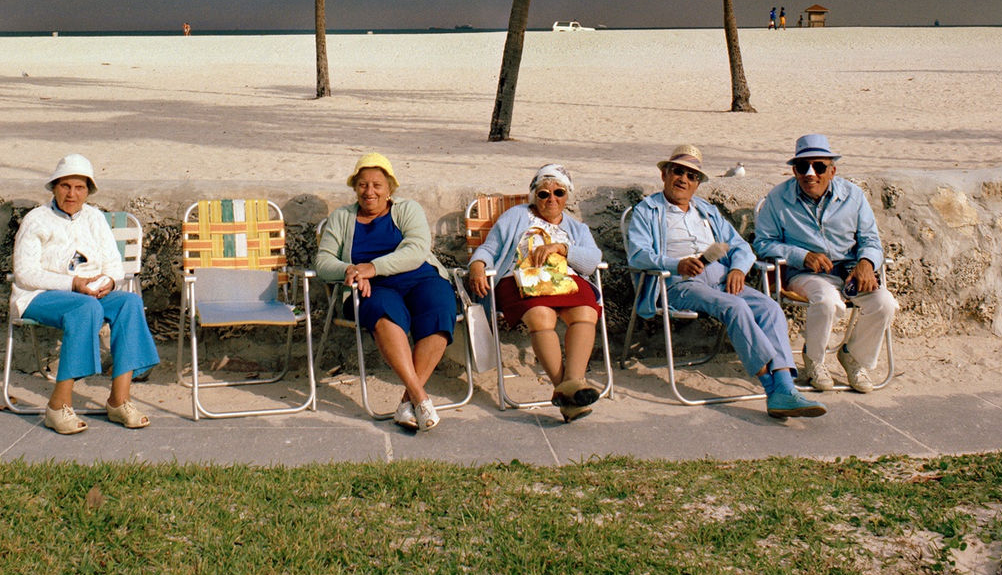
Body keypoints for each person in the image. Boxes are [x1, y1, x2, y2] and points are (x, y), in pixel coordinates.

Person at [626, 144, 823, 420]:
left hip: (720, 277)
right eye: (677, 171)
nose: (683, 179)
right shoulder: (648, 210)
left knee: (769, 308)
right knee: (735, 307)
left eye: (691, 176)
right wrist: (677, 263)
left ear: (697, 184)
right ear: (664, 175)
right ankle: (772, 388)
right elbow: (638, 255)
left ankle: (786, 386)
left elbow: (740, 247)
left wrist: (739, 270)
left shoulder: (707, 211)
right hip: (678, 282)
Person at [10, 153, 160, 434]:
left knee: (129, 302)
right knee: (85, 309)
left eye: (79, 188)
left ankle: (119, 400)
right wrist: (74, 284)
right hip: (40, 295)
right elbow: (25, 274)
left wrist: (108, 282)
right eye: (66, 186)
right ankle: (57, 406)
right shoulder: (36, 220)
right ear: (54, 187)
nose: (72, 194)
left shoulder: (94, 218)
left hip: (89, 292)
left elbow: (114, 266)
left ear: (88, 191)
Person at [316, 152, 460, 432]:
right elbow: (323, 262)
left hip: (418, 277)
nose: (369, 191)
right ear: (355, 187)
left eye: (377, 185)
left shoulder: (407, 209)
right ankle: (420, 397)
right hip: (373, 287)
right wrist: (350, 270)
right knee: (383, 311)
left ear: (389, 188)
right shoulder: (341, 217)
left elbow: (417, 250)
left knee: (441, 307)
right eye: (362, 184)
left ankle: (408, 402)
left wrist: (372, 267)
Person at [753, 134, 898, 392]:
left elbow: (871, 240)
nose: (811, 174)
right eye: (802, 167)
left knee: (884, 303)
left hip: (849, 272)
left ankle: (853, 357)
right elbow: (763, 243)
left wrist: (866, 262)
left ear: (832, 171)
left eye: (819, 167)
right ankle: (814, 359)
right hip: (804, 274)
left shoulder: (853, 196)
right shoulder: (777, 199)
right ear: (794, 171)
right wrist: (801, 255)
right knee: (828, 299)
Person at [466, 163, 604, 421]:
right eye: (543, 193)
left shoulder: (576, 228)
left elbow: (592, 260)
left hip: (565, 282)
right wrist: (477, 265)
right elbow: (490, 247)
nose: (551, 198)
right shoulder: (516, 216)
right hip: (520, 280)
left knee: (586, 311)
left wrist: (562, 249)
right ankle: (573, 389)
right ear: (534, 196)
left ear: (567, 196)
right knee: (541, 316)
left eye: (559, 193)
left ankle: (569, 388)